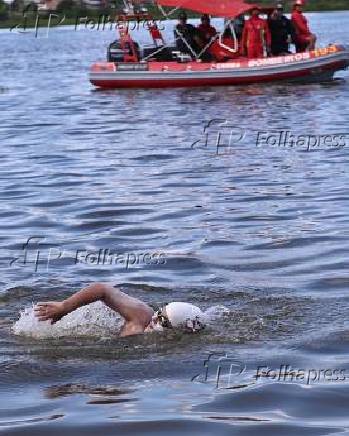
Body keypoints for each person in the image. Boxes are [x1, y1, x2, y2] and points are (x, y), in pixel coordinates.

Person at [34, 283, 206, 337]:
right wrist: (65, 307)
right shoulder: (142, 316)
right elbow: (102, 289)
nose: (154, 320)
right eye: (159, 313)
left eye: (162, 321)